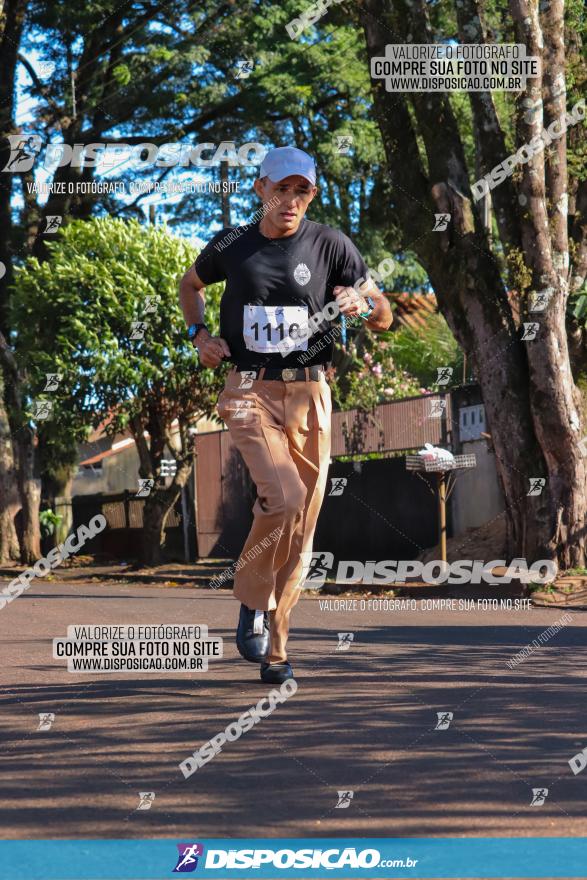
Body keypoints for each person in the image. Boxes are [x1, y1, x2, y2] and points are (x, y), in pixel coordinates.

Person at [179, 146, 392, 684]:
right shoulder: (232, 244)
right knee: (285, 496)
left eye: (303, 191)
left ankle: (276, 650)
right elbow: (190, 286)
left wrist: (361, 306)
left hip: (310, 393)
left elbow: (383, 314)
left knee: (302, 525)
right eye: (282, 189)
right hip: (248, 390)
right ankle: (251, 600)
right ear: (260, 190)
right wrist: (199, 336)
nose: (291, 200)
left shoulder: (331, 245)